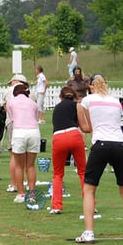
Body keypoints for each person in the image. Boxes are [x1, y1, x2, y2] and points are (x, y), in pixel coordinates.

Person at [74, 74, 123, 243]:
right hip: (119, 145)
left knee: (89, 189)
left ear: (91, 86)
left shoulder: (88, 100)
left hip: (101, 144)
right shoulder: (115, 101)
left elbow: (86, 125)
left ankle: (89, 232)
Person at [49, 86, 86, 215]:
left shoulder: (57, 108)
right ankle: (89, 203)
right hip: (74, 134)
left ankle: (57, 206)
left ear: (61, 96)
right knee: (83, 171)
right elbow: (83, 126)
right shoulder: (77, 106)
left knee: (58, 174)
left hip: (58, 136)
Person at [6, 82, 40, 204]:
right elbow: (35, 118)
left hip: (19, 131)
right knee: (30, 165)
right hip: (34, 132)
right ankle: (31, 194)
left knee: (19, 165)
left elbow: (12, 118)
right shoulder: (33, 103)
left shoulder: (10, 102)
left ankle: (21, 194)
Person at [4, 73, 28, 199]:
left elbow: (5, 107)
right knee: (27, 156)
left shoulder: (8, 92)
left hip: (12, 123)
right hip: (28, 125)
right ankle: (28, 183)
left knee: (14, 154)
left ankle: (14, 184)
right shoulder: (29, 93)